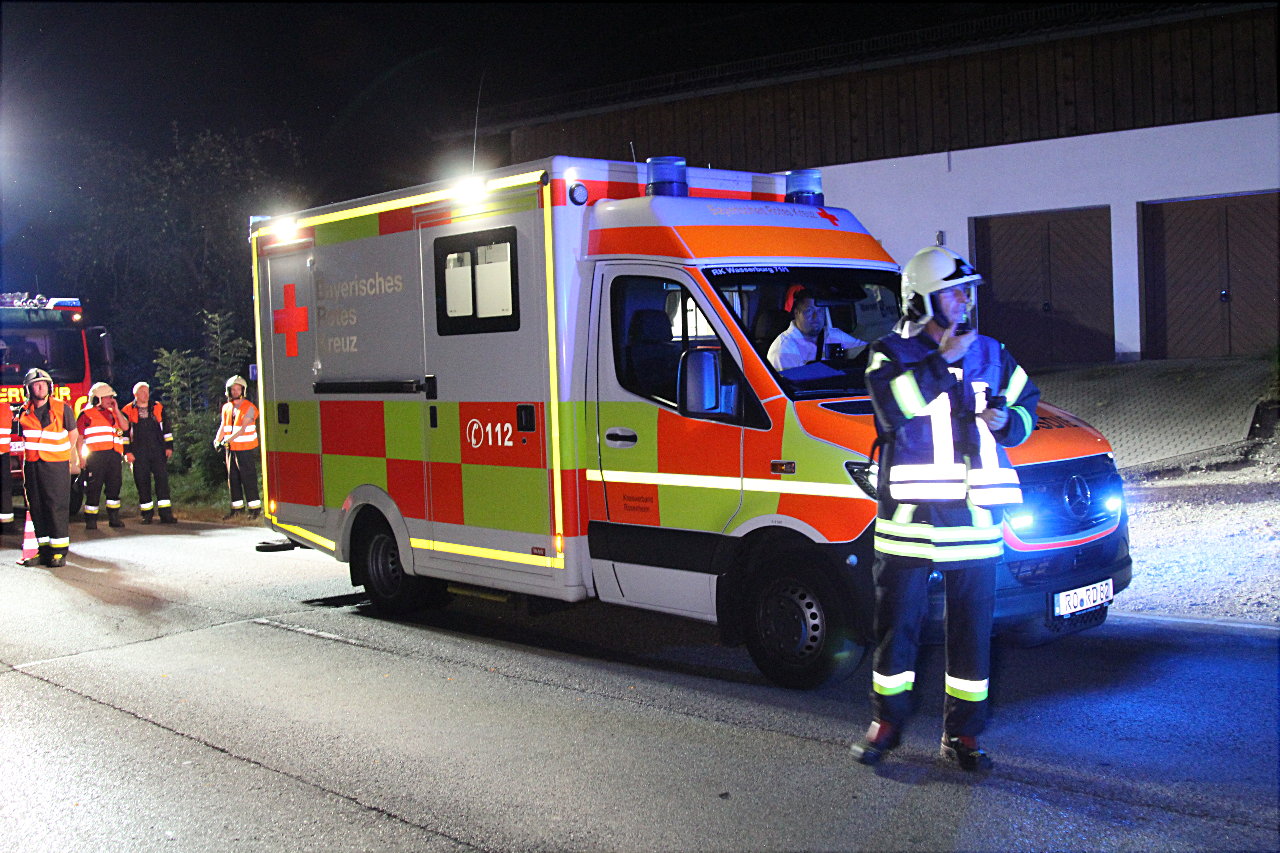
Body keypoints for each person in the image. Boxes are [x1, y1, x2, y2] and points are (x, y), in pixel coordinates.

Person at [852, 246, 1039, 772]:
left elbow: (1027, 405)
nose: (964, 301)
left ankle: (964, 734)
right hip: (909, 522)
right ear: (921, 300)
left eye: (967, 292)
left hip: (975, 521)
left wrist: (1010, 422)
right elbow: (897, 409)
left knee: (973, 636)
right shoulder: (888, 353)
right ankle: (886, 723)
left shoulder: (993, 352)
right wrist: (945, 360)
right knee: (897, 631)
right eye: (953, 292)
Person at [16, 367, 81, 566]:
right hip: (32, 465)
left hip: (56, 466)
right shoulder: (24, 411)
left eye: (43, 384)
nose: (40, 387)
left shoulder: (62, 408)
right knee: (36, 506)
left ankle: (59, 552)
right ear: (29, 389)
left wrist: (63, 453)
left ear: (49, 387)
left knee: (56, 506)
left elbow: (73, 434)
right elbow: (22, 438)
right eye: (36, 385)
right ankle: (43, 551)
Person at [767, 286, 866, 371]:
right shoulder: (784, 349)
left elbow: (866, 352)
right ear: (797, 313)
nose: (816, 316)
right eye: (809, 311)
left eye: (820, 311)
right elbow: (794, 385)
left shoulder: (833, 335)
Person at [122, 381, 177, 524]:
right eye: (142, 392)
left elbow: (166, 429)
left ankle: (166, 514)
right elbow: (124, 435)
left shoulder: (157, 407)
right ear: (135, 394)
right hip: (138, 452)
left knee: (162, 481)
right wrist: (127, 452)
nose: (145, 394)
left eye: (147, 391)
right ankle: (147, 514)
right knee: (142, 482)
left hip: (157, 450)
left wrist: (169, 447)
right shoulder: (127, 410)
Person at [77, 382, 127, 530]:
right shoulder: (86, 414)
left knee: (114, 487)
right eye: (107, 397)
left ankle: (114, 518)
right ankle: (91, 520)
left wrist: (116, 410)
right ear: (97, 398)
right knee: (94, 489)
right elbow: (79, 438)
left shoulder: (113, 413)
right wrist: (81, 458)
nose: (111, 400)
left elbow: (125, 427)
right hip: (95, 457)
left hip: (113, 456)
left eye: (111, 397)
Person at [213, 374, 261, 519]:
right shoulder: (226, 407)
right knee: (232, 479)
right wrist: (217, 440)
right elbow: (223, 425)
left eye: (238, 389)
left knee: (248, 478)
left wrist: (226, 440)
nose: (235, 392)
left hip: (245, 449)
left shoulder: (251, 408)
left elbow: (242, 429)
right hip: (230, 449)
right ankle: (237, 509)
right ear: (229, 391)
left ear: (243, 390)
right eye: (233, 389)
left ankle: (254, 510)